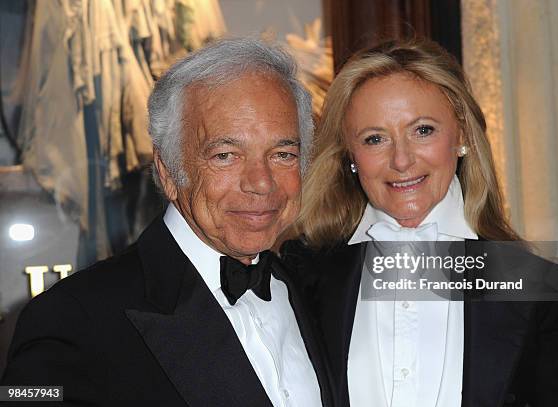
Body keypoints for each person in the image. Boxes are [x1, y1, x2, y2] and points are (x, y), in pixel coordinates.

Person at [1, 38, 332, 407]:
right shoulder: (72, 321)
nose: (261, 182)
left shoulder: (311, 290)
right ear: (168, 171)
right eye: (225, 155)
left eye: (283, 153)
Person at [281, 39, 558, 407]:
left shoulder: (532, 288)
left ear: (461, 133)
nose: (401, 160)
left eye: (423, 130)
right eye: (374, 139)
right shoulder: (300, 275)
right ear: (350, 155)